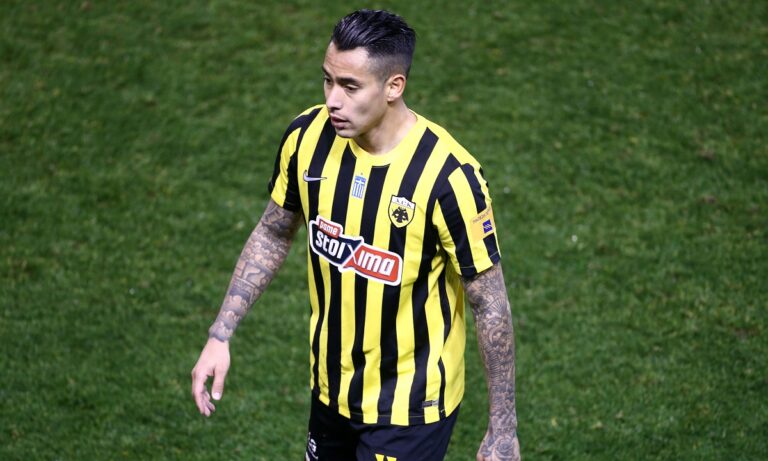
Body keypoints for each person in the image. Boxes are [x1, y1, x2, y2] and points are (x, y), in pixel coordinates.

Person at [191, 9, 520, 461]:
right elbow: (273, 231)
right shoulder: (306, 138)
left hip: (410, 409)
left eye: (349, 87)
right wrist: (220, 334)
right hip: (330, 390)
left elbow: (490, 302)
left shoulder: (449, 178)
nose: (332, 100)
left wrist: (502, 429)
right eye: (327, 81)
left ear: (393, 86)